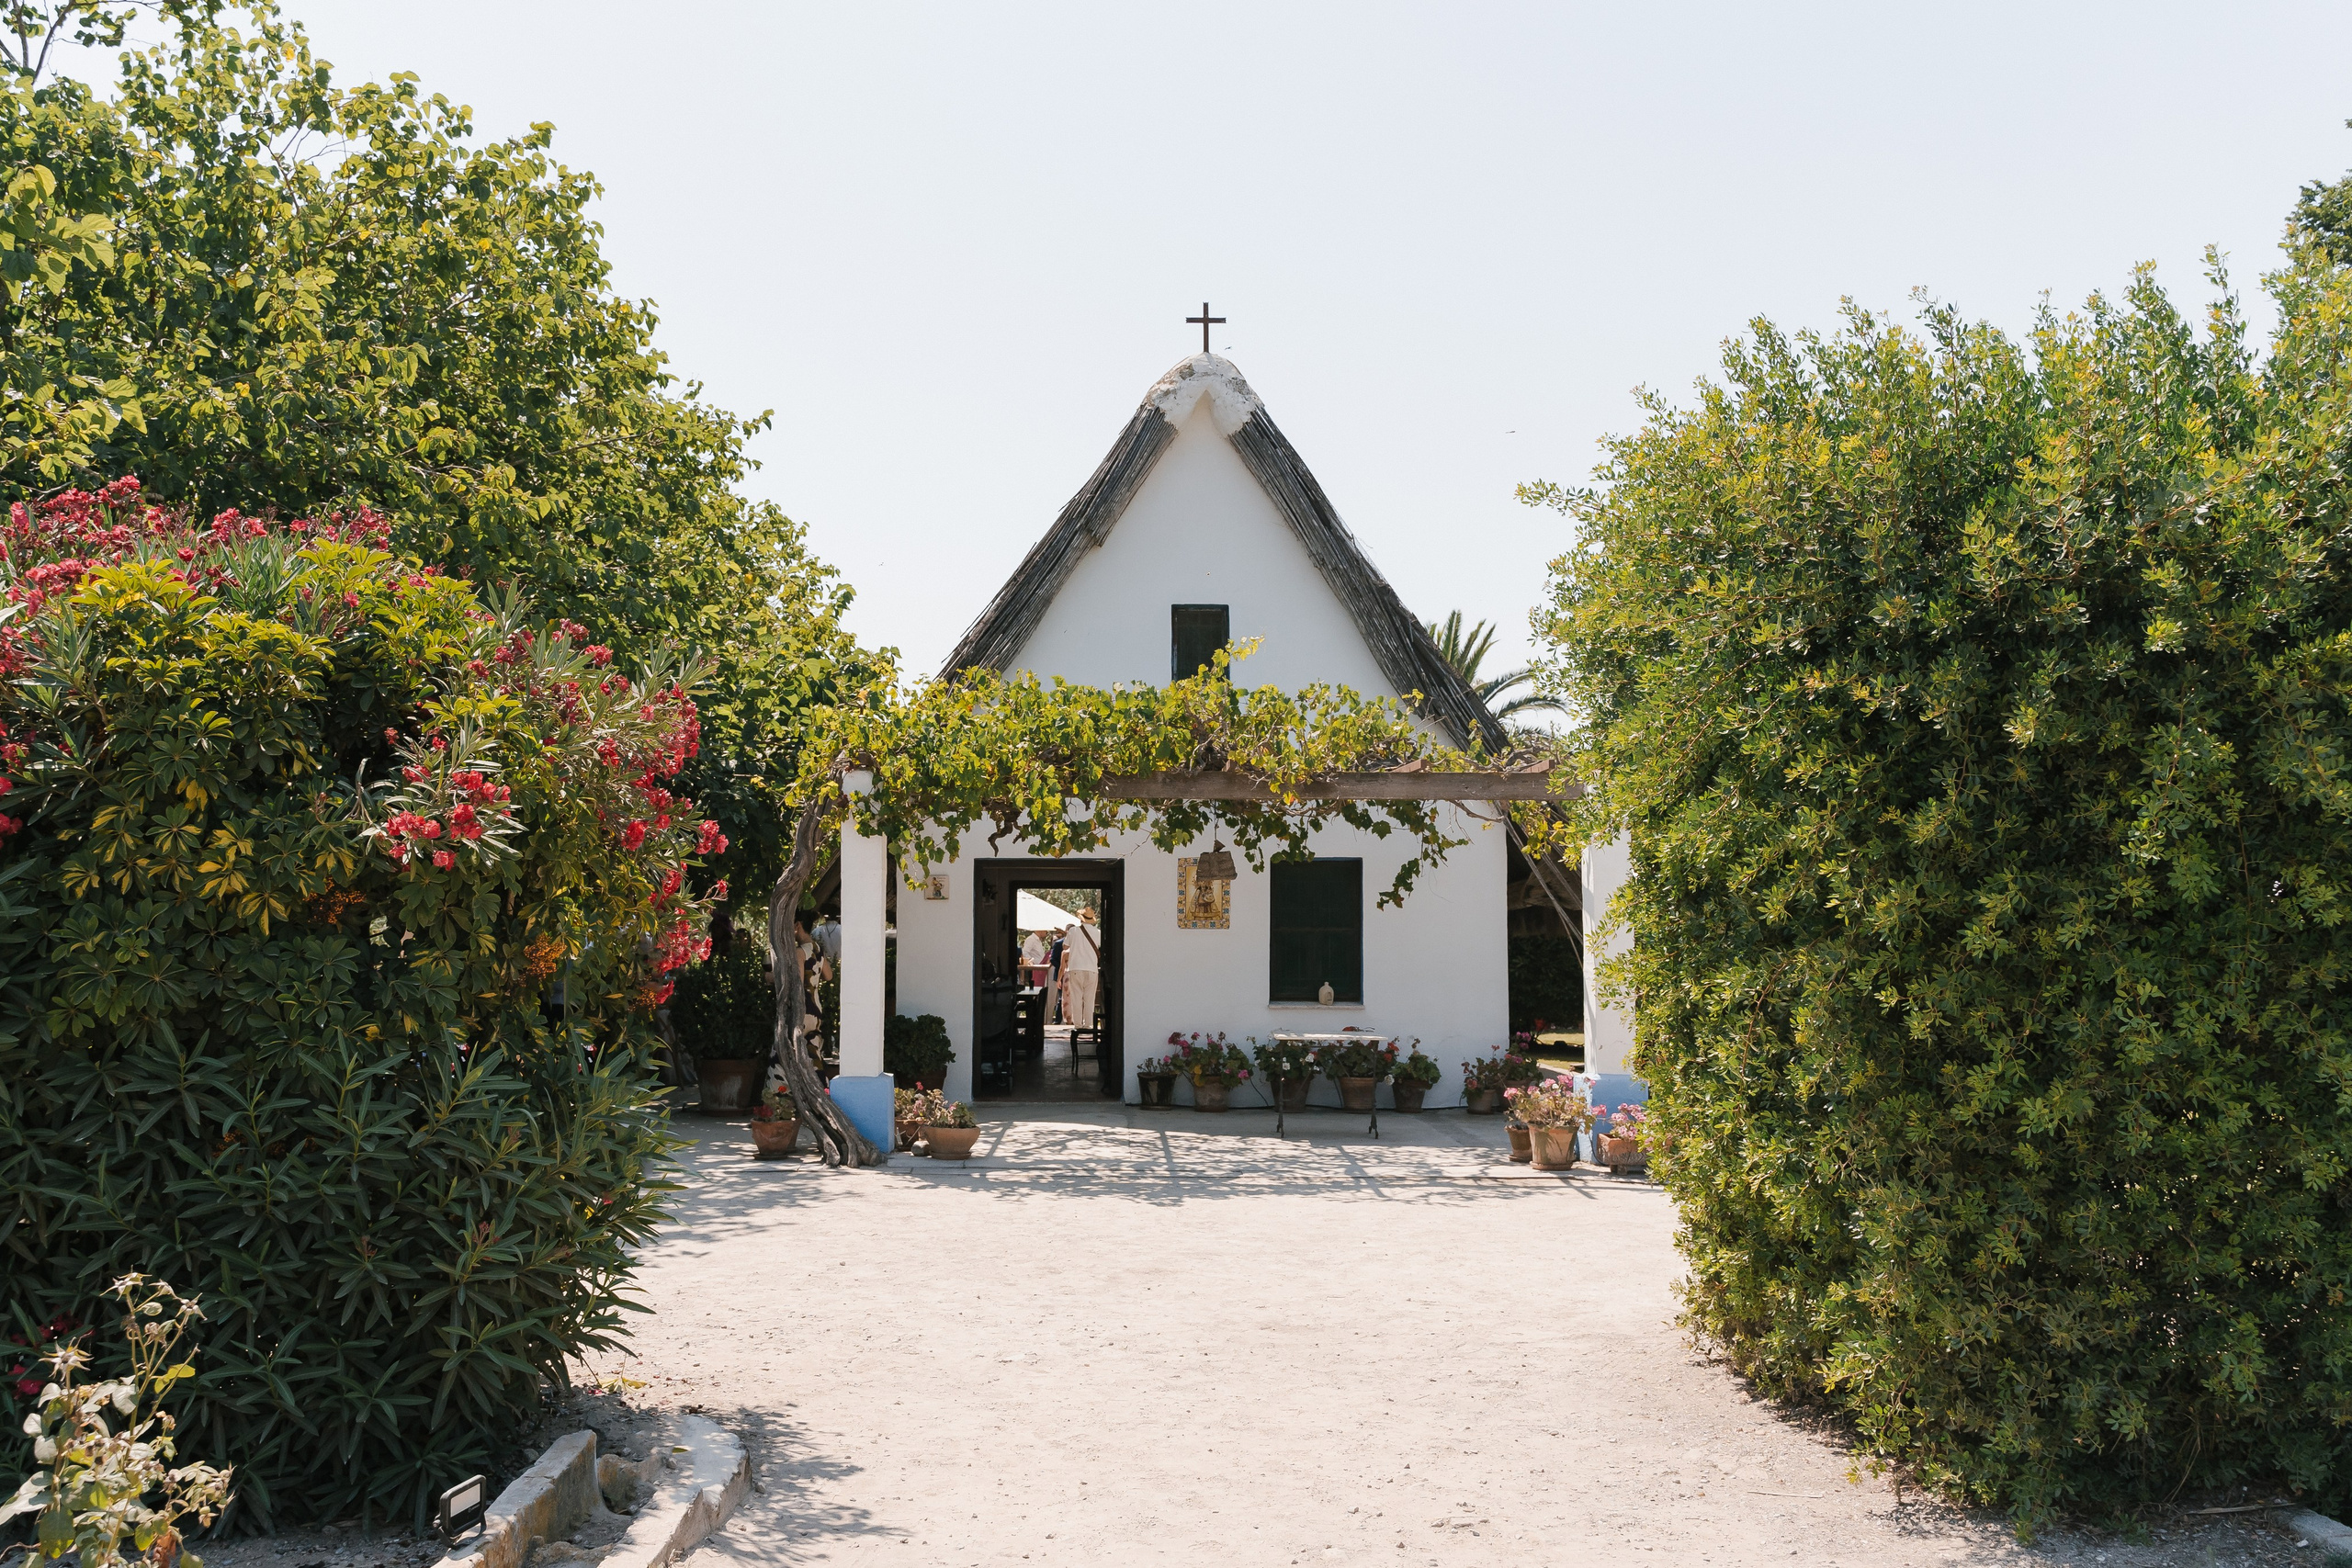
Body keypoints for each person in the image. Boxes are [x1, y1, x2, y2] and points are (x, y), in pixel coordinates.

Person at [1059, 907, 1101, 1029]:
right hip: (1092, 969)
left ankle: (1077, 1025)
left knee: (1076, 998)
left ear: (1081, 919)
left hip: (1076, 968)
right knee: (1089, 999)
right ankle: (1088, 1025)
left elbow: (1065, 946)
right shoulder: (1098, 932)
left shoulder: (1073, 931)